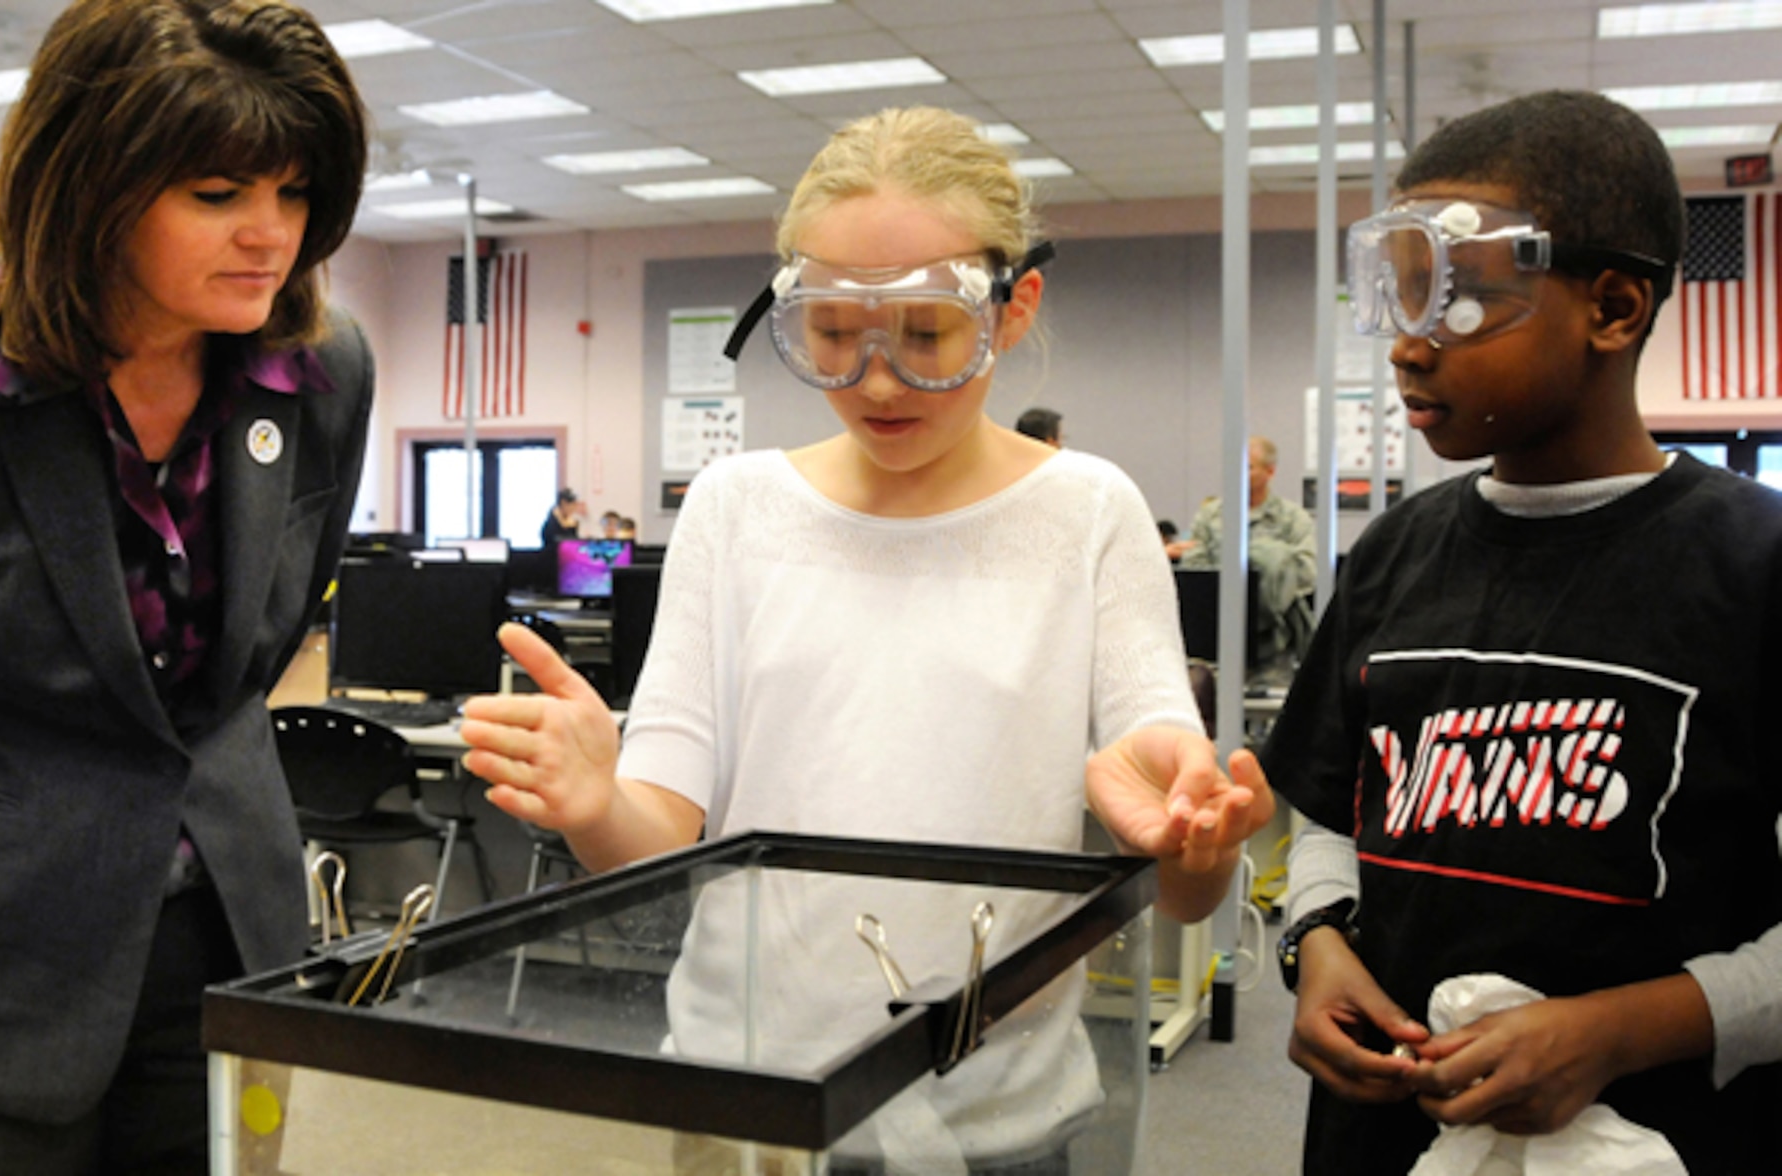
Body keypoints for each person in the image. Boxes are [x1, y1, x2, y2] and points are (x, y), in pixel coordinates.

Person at [459, 105, 1271, 1171]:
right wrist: (595, 806)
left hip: (997, 1122)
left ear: (1012, 308)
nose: (877, 380)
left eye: (925, 334)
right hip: (742, 1103)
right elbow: (661, 826)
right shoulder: (734, 507)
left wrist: (1192, 841)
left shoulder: (1088, 513)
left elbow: (1176, 875)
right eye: (833, 335)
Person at [0, 0, 372, 1170]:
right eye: (218, 195)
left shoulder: (320, 367)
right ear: (91, 185)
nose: (270, 234)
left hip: (225, 946)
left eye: (295, 194)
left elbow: (259, 650)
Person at [1261, 90, 1781, 1175]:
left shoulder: (1752, 566)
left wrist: (1623, 1027)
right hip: (1384, 1140)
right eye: (1398, 298)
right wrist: (1315, 943)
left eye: (1454, 303)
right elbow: (1325, 810)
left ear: (1612, 308)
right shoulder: (1395, 555)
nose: (1407, 347)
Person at [1180, 436, 1316, 677]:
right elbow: (1195, 568)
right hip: (1219, 638)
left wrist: (1270, 570)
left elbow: (1307, 572)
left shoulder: (1292, 518)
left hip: (1274, 643)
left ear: (1270, 471)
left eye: (1248, 468)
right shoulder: (1211, 516)